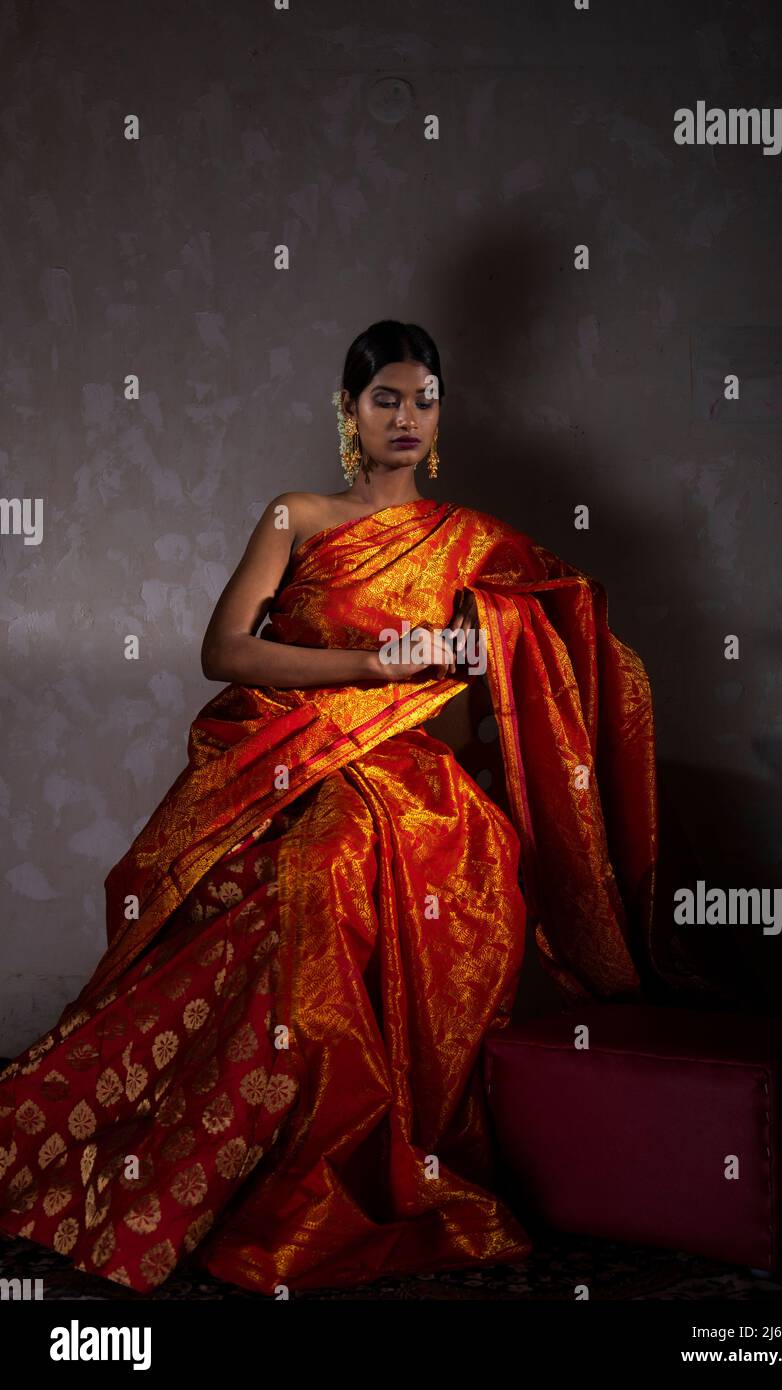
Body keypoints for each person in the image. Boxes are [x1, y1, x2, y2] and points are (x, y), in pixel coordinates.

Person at [0, 320, 659, 1294]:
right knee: (263, 879)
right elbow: (224, 650)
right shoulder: (296, 518)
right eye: (384, 398)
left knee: (377, 863)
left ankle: (338, 1157)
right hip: (285, 755)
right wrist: (368, 663)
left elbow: (569, 619)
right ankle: (224, 1146)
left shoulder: (469, 540)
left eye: (423, 399)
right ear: (349, 411)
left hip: (406, 769)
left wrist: (492, 643)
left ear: (440, 415)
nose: (405, 417)